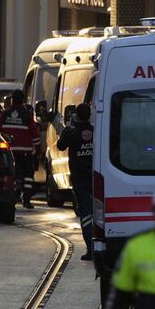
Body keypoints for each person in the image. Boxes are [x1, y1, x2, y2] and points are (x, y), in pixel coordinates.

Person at [57, 103, 100, 264]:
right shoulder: (96, 130)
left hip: (80, 179)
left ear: (77, 115)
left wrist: (66, 129)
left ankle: (90, 248)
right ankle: (100, 246)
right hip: (96, 177)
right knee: (98, 212)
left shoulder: (71, 132)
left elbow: (60, 146)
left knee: (86, 215)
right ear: (89, 114)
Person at [0, 91, 38, 209]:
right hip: (25, 152)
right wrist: (39, 151)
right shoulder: (26, 115)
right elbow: (34, 134)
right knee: (28, 176)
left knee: (14, 175)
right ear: (23, 100)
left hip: (9, 151)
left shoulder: (5, 114)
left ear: (12, 100)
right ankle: (26, 199)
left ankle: (13, 197)